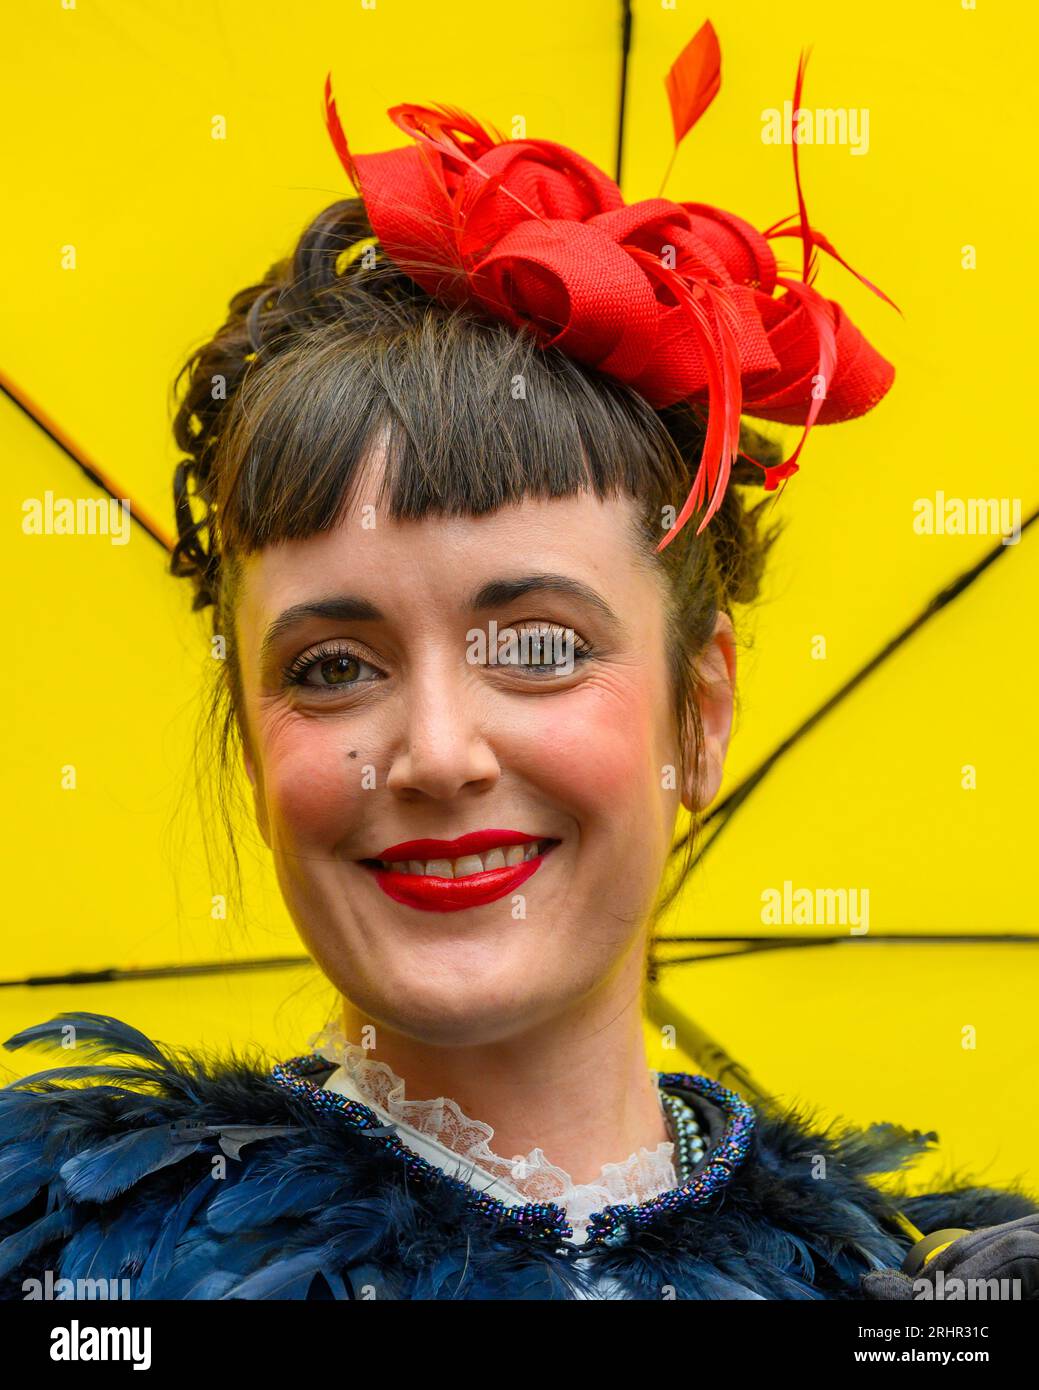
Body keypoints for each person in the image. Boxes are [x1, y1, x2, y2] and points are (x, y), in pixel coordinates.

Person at [1, 24, 1035, 1301]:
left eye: (538, 647)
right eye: (332, 667)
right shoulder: (79, 1272)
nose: (436, 752)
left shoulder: (910, 1302)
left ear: (697, 709)